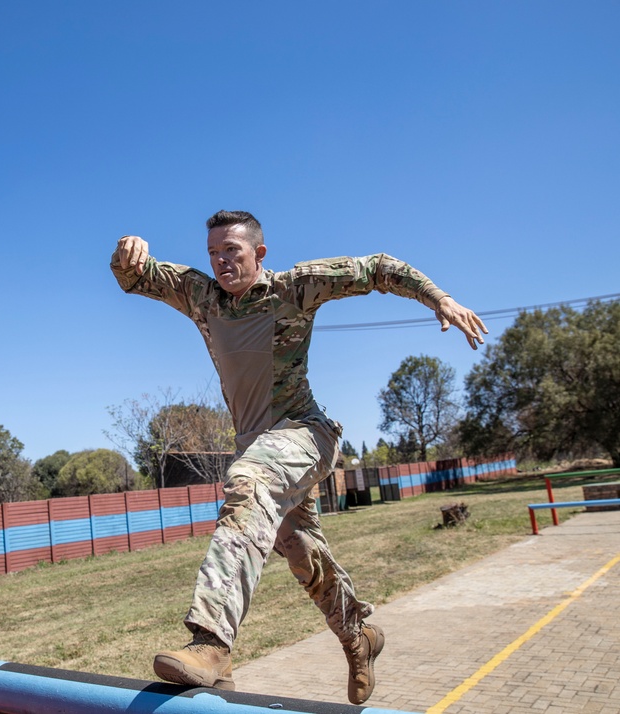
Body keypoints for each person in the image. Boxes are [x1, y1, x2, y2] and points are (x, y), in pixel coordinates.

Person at [110, 210, 487, 704]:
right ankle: (359, 637)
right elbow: (135, 277)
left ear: (259, 254)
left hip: (304, 433)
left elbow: (376, 267)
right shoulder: (202, 296)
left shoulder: (295, 288)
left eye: (233, 251)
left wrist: (440, 298)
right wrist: (126, 251)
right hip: (258, 445)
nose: (222, 262)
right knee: (303, 554)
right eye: (213, 253)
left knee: (248, 483)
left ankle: (211, 642)